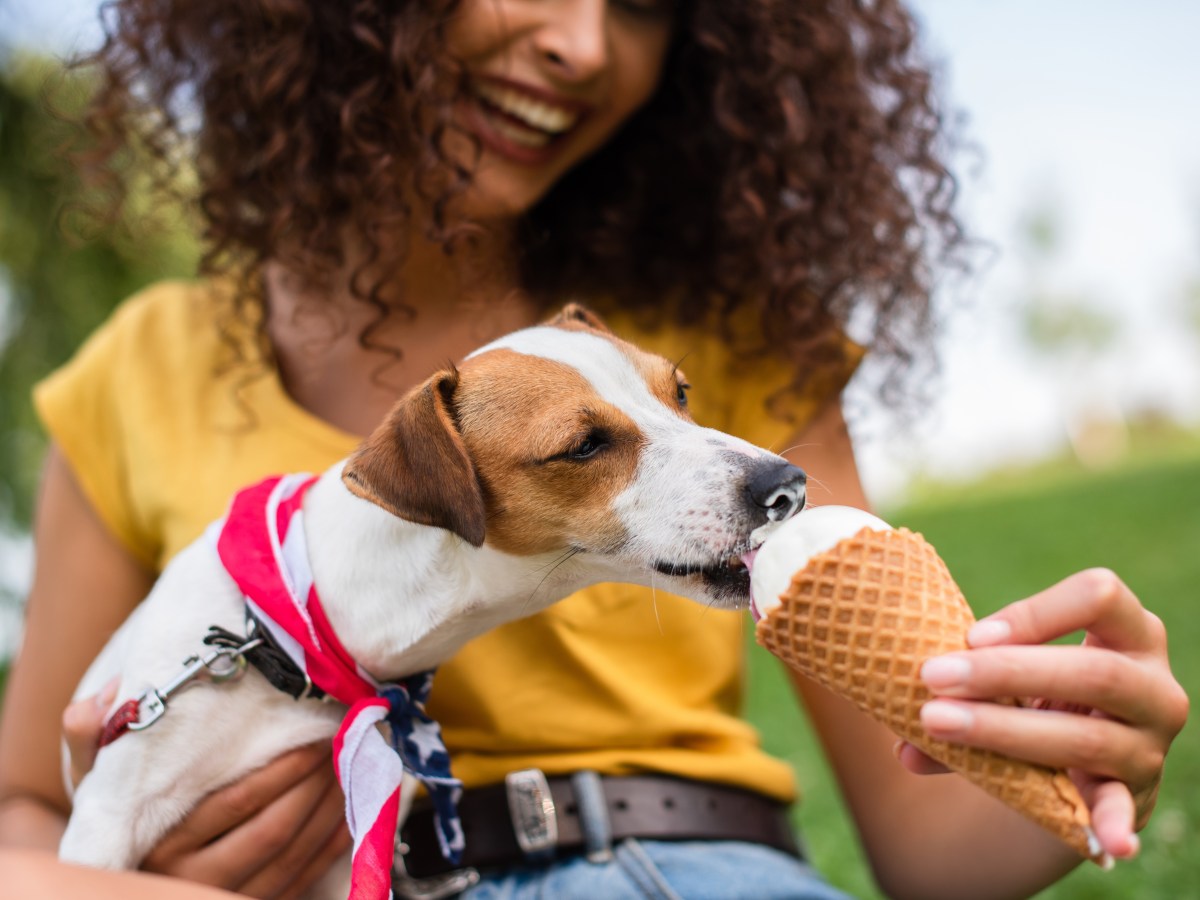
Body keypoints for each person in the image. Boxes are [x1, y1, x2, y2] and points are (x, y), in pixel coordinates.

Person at [0, 1, 1187, 898]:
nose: (580, 40)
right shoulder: (137, 371)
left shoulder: (731, 315)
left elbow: (927, 851)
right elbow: (24, 815)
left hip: (698, 866)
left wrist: (1073, 770)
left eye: (644, 1)